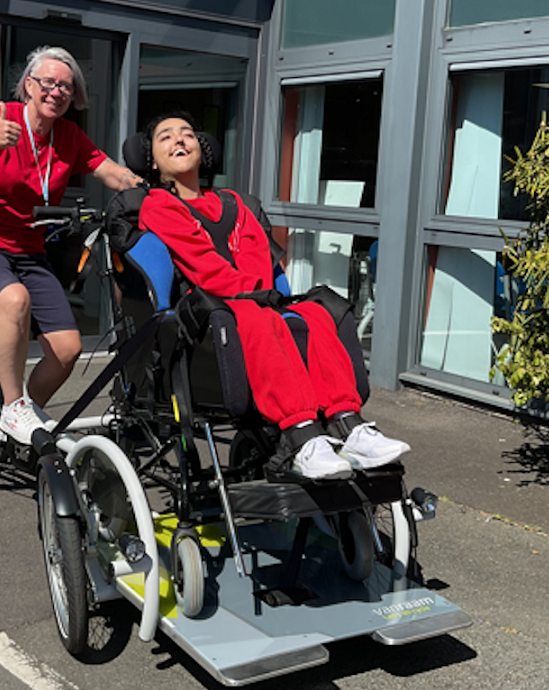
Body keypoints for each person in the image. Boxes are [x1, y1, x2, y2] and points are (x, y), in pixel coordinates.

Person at [138, 111, 409, 481]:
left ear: (202, 150)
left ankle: (348, 422)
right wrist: (251, 295)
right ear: (152, 160)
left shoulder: (236, 203)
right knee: (257, 316)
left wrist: (257, 293)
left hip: (252, 297)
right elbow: (202, 265)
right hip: (205, 310)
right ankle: (301, 436)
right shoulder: (158, 205)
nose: (180, 140)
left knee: (315, 313)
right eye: (166, 137)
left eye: (187, 133)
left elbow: (257, 255)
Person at [0, 46, 141, 445]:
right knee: (14, 300)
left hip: (27, 249)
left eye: (65, 85)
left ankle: (19, 420)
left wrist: (158, 193)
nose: (56, 91)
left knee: (68, 349)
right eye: (48, 82)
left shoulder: (69, 137)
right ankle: (14, 406)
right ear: (29, 85)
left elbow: (112, 173)